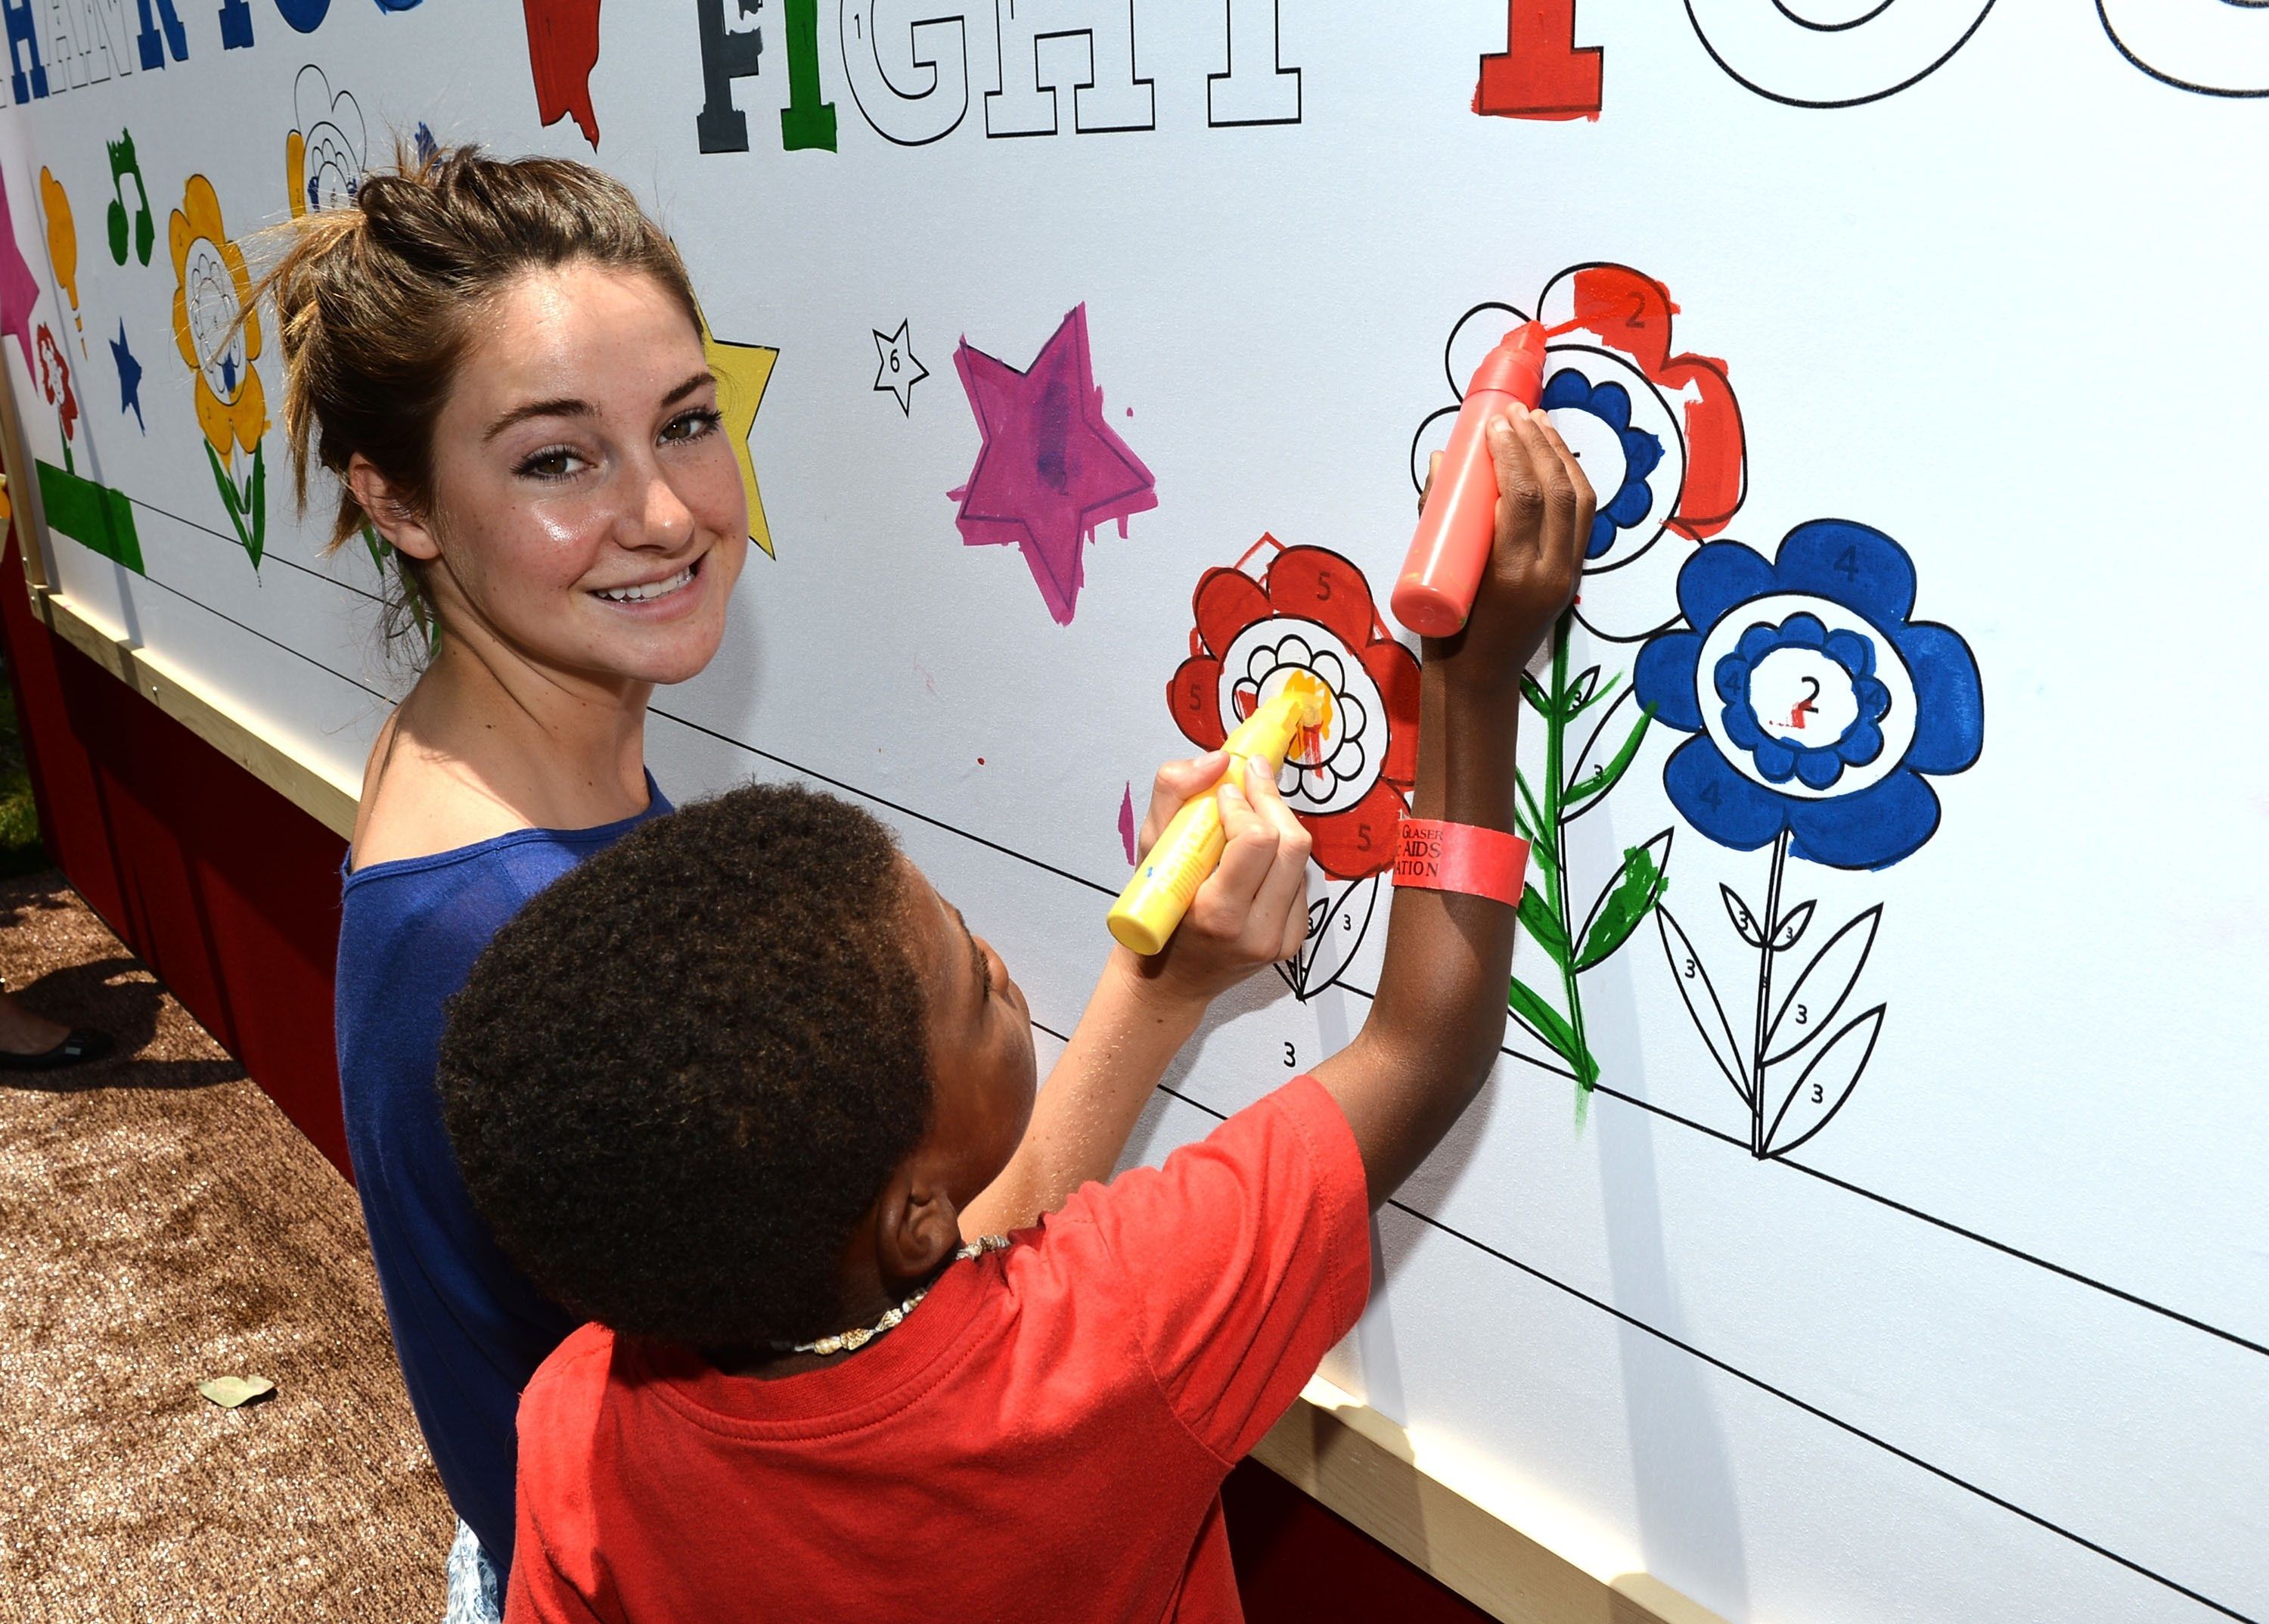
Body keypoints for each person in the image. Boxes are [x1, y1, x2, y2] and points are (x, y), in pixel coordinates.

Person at [268, 147, 1310, 1620]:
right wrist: (1158, 994)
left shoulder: (492, 749)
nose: (667, 511)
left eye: (687, 425)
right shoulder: (502, 922)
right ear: (402, 504)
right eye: (557, 457)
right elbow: (885, 1351)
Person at [435, 405, 1595, 1623]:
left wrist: (1160, 985)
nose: (998, 960)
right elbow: (1426, 1044)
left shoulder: (575, 1420)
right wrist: (1472, 680)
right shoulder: (1128, 1330)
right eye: (973, 984)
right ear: (920, 1214)